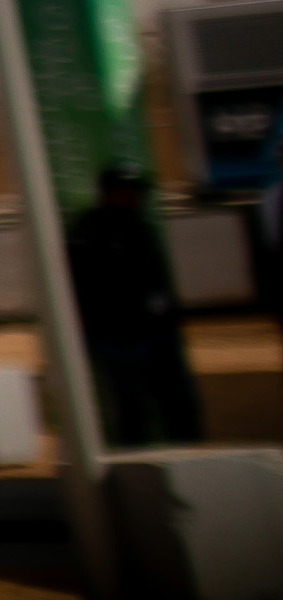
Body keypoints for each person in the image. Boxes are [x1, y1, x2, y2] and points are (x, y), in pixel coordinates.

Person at [67, 162, 202, 446]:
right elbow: (88, 288)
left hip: (157, 335)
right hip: (117, 338)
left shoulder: (140, 228)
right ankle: (135, 462)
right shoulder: (90, 232)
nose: (135, 198)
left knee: (177, 403)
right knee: (131, 408)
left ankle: (188, 452)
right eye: (128, 191)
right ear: (111, 193)